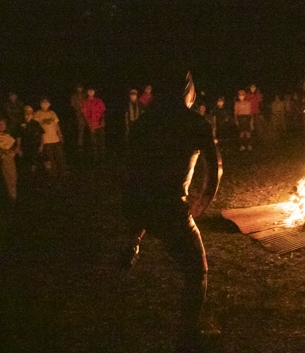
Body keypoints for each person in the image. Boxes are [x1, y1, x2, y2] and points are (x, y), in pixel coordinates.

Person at [121, 71, 222, 350]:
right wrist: (203, 201)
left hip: (142, 205)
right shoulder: (195, 123)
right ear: (186, 91)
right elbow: (215, 168)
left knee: (147, 206)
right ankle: (187, 337)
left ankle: (132, 247)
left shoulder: (142, 124)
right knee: (197, 271)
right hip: (171, 212)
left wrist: (133, 231)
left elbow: (133, 176)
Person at [33, 98, 67, 177]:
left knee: (60, 156)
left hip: (55, 139)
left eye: (47, 102)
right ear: (41, 104)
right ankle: (53, 174)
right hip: (45, 140)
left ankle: (63, 172)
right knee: (50, 158)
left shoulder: (52, 113)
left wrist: (60, 135)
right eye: (43, 102)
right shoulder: (37, 114)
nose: (45, 104)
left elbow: (57, 124)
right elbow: (34, 126)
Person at [17, 106, 44, 176]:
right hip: (25, 146)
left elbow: (41, 134)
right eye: (27, 112)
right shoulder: (21, 124)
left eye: (30, 112)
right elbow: (19, 137)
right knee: (27, 162)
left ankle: (36, 175)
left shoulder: (36, 123)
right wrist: (19, 148)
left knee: (35, 162)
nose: (28, 114)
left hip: (35, 145)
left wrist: (41, 145)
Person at [81, 87, 106, 162]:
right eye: (89, 90)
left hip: (100, 124)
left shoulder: (99, 100)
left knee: (102, 141)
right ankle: (96, 158)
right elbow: (85, 115)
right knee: (94, 142)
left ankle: (103, 158)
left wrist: (102, 121)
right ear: (87, 92)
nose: (91, 92)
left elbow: (103, 112)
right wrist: (90, 125)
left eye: (92, 90)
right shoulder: (85, 102)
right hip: (92, 125)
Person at [0, 118, 18, 201]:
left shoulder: (7, 136)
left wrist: (13, 152)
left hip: (9, 158)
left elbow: (14, 145)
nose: (1, 126)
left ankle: (13, 195)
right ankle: (10, 195)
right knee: (6, 177)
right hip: (3, 159)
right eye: (0, 124)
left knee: (13, 176)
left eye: (3, 124)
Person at [70, 84, 87, 150]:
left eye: (81, 88)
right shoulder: (74, 96)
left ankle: (89, 142)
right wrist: (78, 109)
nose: (80, 89)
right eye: (79, 88)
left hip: (87, 114)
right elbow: (73, 104)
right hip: (78, 114)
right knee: (80, 129)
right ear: (77, 88)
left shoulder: (85, 95)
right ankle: (80, 144)